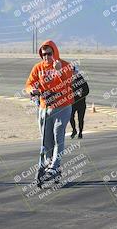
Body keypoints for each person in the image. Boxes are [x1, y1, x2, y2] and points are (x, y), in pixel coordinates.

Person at [25, 40, 74, 179]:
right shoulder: (38, 67)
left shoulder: (64, 65)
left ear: (55, 52)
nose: (46, 57)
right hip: (44, 107)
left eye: (49, 54)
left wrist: (59, 71)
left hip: (62, 106)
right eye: (44, 54)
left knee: (58, 135)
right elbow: (29, 83)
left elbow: (68, 82)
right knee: (46, 139)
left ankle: (55, 166)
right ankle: (48, 161)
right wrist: (32, 90)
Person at [70, 66, 89, 139]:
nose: (72, 73)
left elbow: (87, 90)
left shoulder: (82, 80)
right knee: (71, 117)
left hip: (81, 103)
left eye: (73, 71)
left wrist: (81, 94)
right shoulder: (69, 80)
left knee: (80, 118)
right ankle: (74, 130)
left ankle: (80, 132)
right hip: (72, 103)